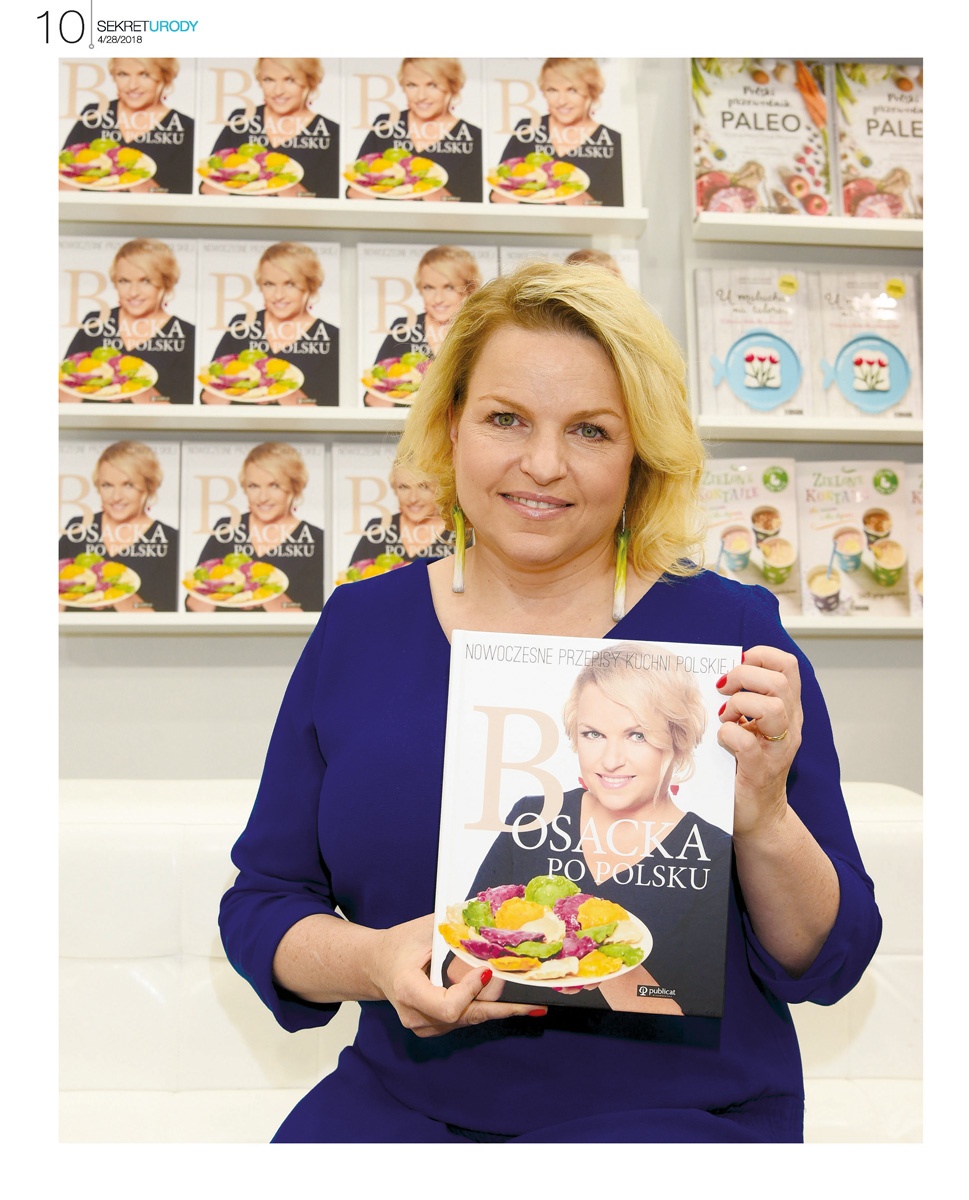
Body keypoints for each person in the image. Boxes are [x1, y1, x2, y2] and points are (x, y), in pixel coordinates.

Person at [220, 261, 881, 1143]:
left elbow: (827, 960)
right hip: (404, 1106)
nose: (541, 464)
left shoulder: (728, 635)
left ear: (638, 454)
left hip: (680, 1118)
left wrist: (761, 816)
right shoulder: (360, 625)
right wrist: (373, 960)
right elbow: (264, 902)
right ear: (452, 426)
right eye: (505, 419)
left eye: (590, 431)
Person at [448, 643, 731, 1017]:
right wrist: (506, 943)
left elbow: (694, 1011)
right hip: (512, 1044)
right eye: (593, 734)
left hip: (642, 1054)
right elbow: (457, 973)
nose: (611, 761)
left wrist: (589, 955)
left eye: (637, 735)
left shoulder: (714, 850)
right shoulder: (535, 816)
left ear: (677, 741)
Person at [186, 442, 323, 614]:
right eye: (253, 486)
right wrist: (223, 589)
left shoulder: (316, 539)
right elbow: (192, 605)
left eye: (274, 485)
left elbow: (314, 616)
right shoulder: (228, 528)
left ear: (294, 487)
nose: (263, 497)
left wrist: (261, 593)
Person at [202, 242, 339, 406]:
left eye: (290, 284)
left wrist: (281, 390)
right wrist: (238, 384)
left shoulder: (332, 337)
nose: (278, 295)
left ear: (310, 285)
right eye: (269, 284)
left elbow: (329, 410)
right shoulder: (243, 324)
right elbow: (207, 398)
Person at [61, 238, 195, 405]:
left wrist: (136, 390)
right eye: (124, 281)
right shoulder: (97, 321)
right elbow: (63, 395)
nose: (133, 292)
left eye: (145, 281)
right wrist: (89, 384)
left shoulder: (186, 334)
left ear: (165, 283)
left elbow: (180, 404)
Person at [59, 441, 178, 612]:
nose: (116, 497)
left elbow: (164, 613)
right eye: (107, 485)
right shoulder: (79, 527)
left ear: (148, 487)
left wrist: (113, 593)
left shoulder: (169, 539)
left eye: (128, 485)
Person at [491, 58, 623, 207]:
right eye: (552, 90)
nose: (561, 101)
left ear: (591, 92)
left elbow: (615, 208)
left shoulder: (613, 141)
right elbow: (496, 196)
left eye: (572, 90)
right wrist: (531, 191)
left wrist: (573, 196)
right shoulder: (528, 128)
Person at [201, 58, 340, 199]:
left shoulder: (330, 132)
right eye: (269, 80)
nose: (278, 91)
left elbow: (328, 198)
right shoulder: (242, 118)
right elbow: (205, 187)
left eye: (290, 80)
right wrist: (240, 183)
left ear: (310, 82)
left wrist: (291, 190)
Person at [347, 58, 482, 202]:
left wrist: (427, 190)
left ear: (452, 86)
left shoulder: (472, 136)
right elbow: (353, 192)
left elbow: (473, 205)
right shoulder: (387, 124)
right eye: (412, 85)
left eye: (432, 85)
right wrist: (390, 185)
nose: (421, 96)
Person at [363, 245, 481, 408]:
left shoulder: (480, 331)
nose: (438, 299)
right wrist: (400, 389)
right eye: (429, 287)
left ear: (469, 289)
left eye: (449, 287)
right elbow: (372, 399)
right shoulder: (404, 327)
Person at [60, 58, 195, 194]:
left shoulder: (185, 127)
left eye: (144, 74)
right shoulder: (95, 113)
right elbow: (60, 180)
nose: (132, 86)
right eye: (123, 74)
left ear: (165, 77)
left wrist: (139, 183)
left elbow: (183, 196)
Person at [347, 461, 455, 567]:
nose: (413, 498)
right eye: (404, 487)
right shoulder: (377, 528)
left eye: (423, 486)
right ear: (394, 489)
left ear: (440, 489)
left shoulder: (458, 533)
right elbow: (350, 576)